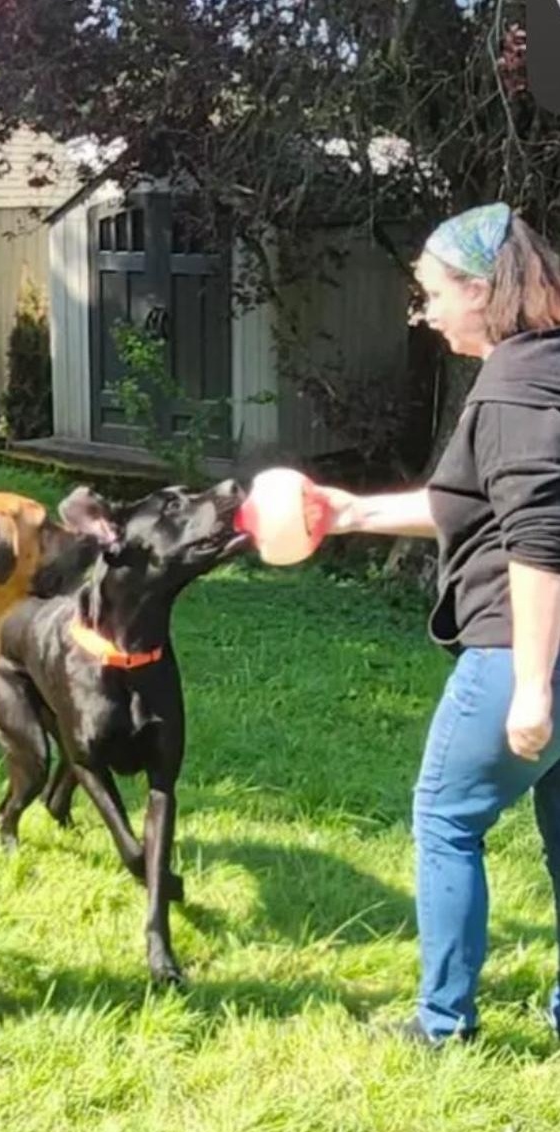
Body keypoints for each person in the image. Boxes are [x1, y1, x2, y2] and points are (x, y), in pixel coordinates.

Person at [320, 202, 560, 1046]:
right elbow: (474, 503)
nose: (422, 313)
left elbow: (537, 538)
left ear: (480, 290)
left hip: (519, 648)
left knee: (445, 817)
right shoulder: (546, 368)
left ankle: (442, 1023)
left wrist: (530, 687)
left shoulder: (513, 387)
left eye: (429, 294)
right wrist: (349, 513)